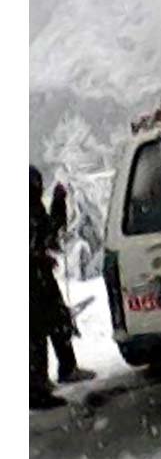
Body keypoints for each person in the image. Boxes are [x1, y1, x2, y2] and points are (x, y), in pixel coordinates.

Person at [30, 166, 96, 409]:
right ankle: (35, 388)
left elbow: (50, 232)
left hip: (39, 277)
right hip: (31, 281)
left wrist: (59, 203)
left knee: (56, 320)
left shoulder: (33, 209)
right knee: (36, 330)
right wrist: (38, 258)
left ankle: (64, 368)